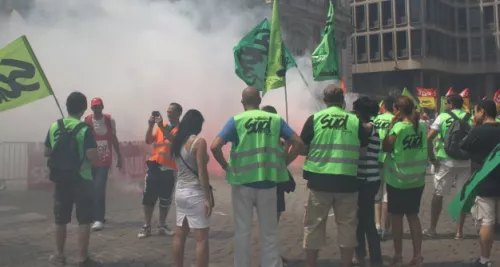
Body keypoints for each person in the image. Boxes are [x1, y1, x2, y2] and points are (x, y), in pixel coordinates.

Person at [210, 87, 304, 267]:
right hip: (268, 183)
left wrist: (226, 167)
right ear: (260, 101)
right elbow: (298, 142)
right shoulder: (275, 120)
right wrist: (284, 162)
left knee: (242, 231)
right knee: (269, 232)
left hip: (242, 183)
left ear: (242, 102)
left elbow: (214, 146)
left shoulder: (236, 121)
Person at [300, 85, 368, 267]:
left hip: (319, 180)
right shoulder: (354, 121)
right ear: (343, 100)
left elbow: (302, 147)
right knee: (347, 225)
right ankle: (346, 264)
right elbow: (363, 152)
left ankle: (311, 264)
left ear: (324, 100)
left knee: (313, 225)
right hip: (347, 181)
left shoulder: (315, 119)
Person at [45, 91, 101, 267]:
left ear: (67, 106)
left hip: (60, 179)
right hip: (82, 179)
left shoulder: (55, 126)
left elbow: (47, 152)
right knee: (84, 220)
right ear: (84, 109)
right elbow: (92, 155)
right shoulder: (85, 129)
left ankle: (59, 255)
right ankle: (82, 258)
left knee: (60, 219)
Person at [382, 95, 427, 267]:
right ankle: (418, 256)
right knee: (413, 216)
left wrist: (391, 126)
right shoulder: (422, 126)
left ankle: (398, 256)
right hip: (417, 179)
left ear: (398, 110)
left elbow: (386, 146)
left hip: (398, 180)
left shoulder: (398, 127)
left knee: (397, 218)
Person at [424, 94, 472, 239]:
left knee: (438, 195)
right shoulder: (470, 117)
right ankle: (459, 231)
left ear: (450, 103)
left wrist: (431, 158)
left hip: (446, 161)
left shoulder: (442, 117)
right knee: (462, 196)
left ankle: (432, 228)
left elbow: (429, 137)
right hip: (465, 161)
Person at [460, 100, 500, 267]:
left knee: (487, 221)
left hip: (484, 181)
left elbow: (463, 147)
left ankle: (484, 259)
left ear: (482, 112)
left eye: (476, 111)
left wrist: (474, 126)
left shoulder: (477, 131)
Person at [170, 109, 212, 267]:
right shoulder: (198, 142)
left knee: (180, 235)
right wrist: (207, 197)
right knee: (201, 239)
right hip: (195, 192)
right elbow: (202, 171)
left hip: (180, 191)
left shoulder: (177, 141)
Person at [138, 102, 183, 238]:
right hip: (154, 166)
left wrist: (160, 127)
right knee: (149, 198)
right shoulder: (160, 127)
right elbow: (148, 140)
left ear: (179, 113)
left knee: (165, 199)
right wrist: (151, 126)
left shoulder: (181, 129)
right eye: (167, 110)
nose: (168, 113)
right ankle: (146, 226)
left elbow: (174, 140)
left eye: (171, 111)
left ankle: (162, 226)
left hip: (169, 168)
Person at [261, 105, 297, 267]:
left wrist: (287, 143)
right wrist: (288, 145)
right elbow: (282, 159)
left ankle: (273, 255)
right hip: (272, 184)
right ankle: (269, 259)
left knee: (270, 224)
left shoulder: (263, 137)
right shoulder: (273, 140)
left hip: (268, 183)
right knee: (270, 224)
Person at [352, 96, 383, 266]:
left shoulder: (366, 128)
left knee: (365, 221)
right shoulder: (372, 127)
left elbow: (361, 151)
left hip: (365, 178)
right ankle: (365, 255)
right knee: (362, 220)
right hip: (371, 178)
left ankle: (370, 257)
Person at [84, 97, 122, 231]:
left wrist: (120, 157)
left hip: (104, 160)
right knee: (91, 188)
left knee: (99, 188)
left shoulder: (110, 121)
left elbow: (114, 139)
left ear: (102, 107)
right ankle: (93, 215)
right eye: (94, 107)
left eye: (98, 107)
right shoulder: (87, 120)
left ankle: (99, 219)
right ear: (91, 108)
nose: (96, 109)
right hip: (91, 160)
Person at [373, 95, 395, 239]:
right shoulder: (395, 121)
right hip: (391, 160)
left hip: (375, 159)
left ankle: (377, 225)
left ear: (383, 106)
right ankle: (387, 229)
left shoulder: (375, 120)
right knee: (388, 195)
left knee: (377, 195)